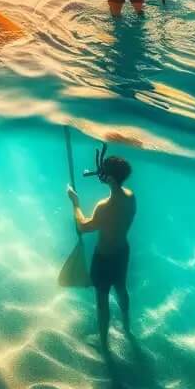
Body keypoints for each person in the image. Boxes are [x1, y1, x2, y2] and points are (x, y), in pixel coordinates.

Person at [67, 144, 137, 350]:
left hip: (105, 257)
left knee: (102, 298)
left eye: (104, 172)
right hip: (122, 252)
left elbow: (83, 226)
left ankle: (104, 343)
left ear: (111, 178)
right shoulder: (131, 196)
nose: (101, 174)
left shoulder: (105, 206)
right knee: (121, 288)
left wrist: (75, 203)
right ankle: (126, 327)